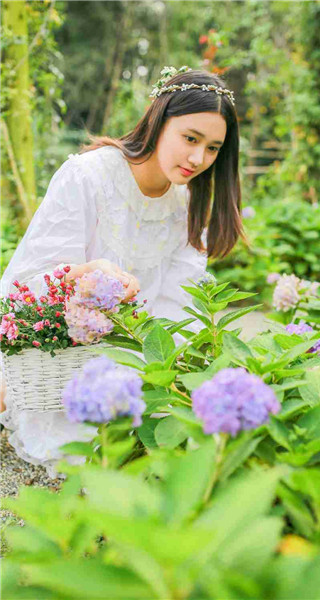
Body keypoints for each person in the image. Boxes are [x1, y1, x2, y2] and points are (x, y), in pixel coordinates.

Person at [0, 66, 244, 477]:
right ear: (159, 117)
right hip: (60, 355)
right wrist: (90, 274)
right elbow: (28, 286)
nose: (199, 159)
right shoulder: (88, 176)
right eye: (190, 138)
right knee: (86, 449)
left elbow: (177, 307)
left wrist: (170, 376)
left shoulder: (188, 204)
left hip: (131, 361)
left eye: (214, 148)